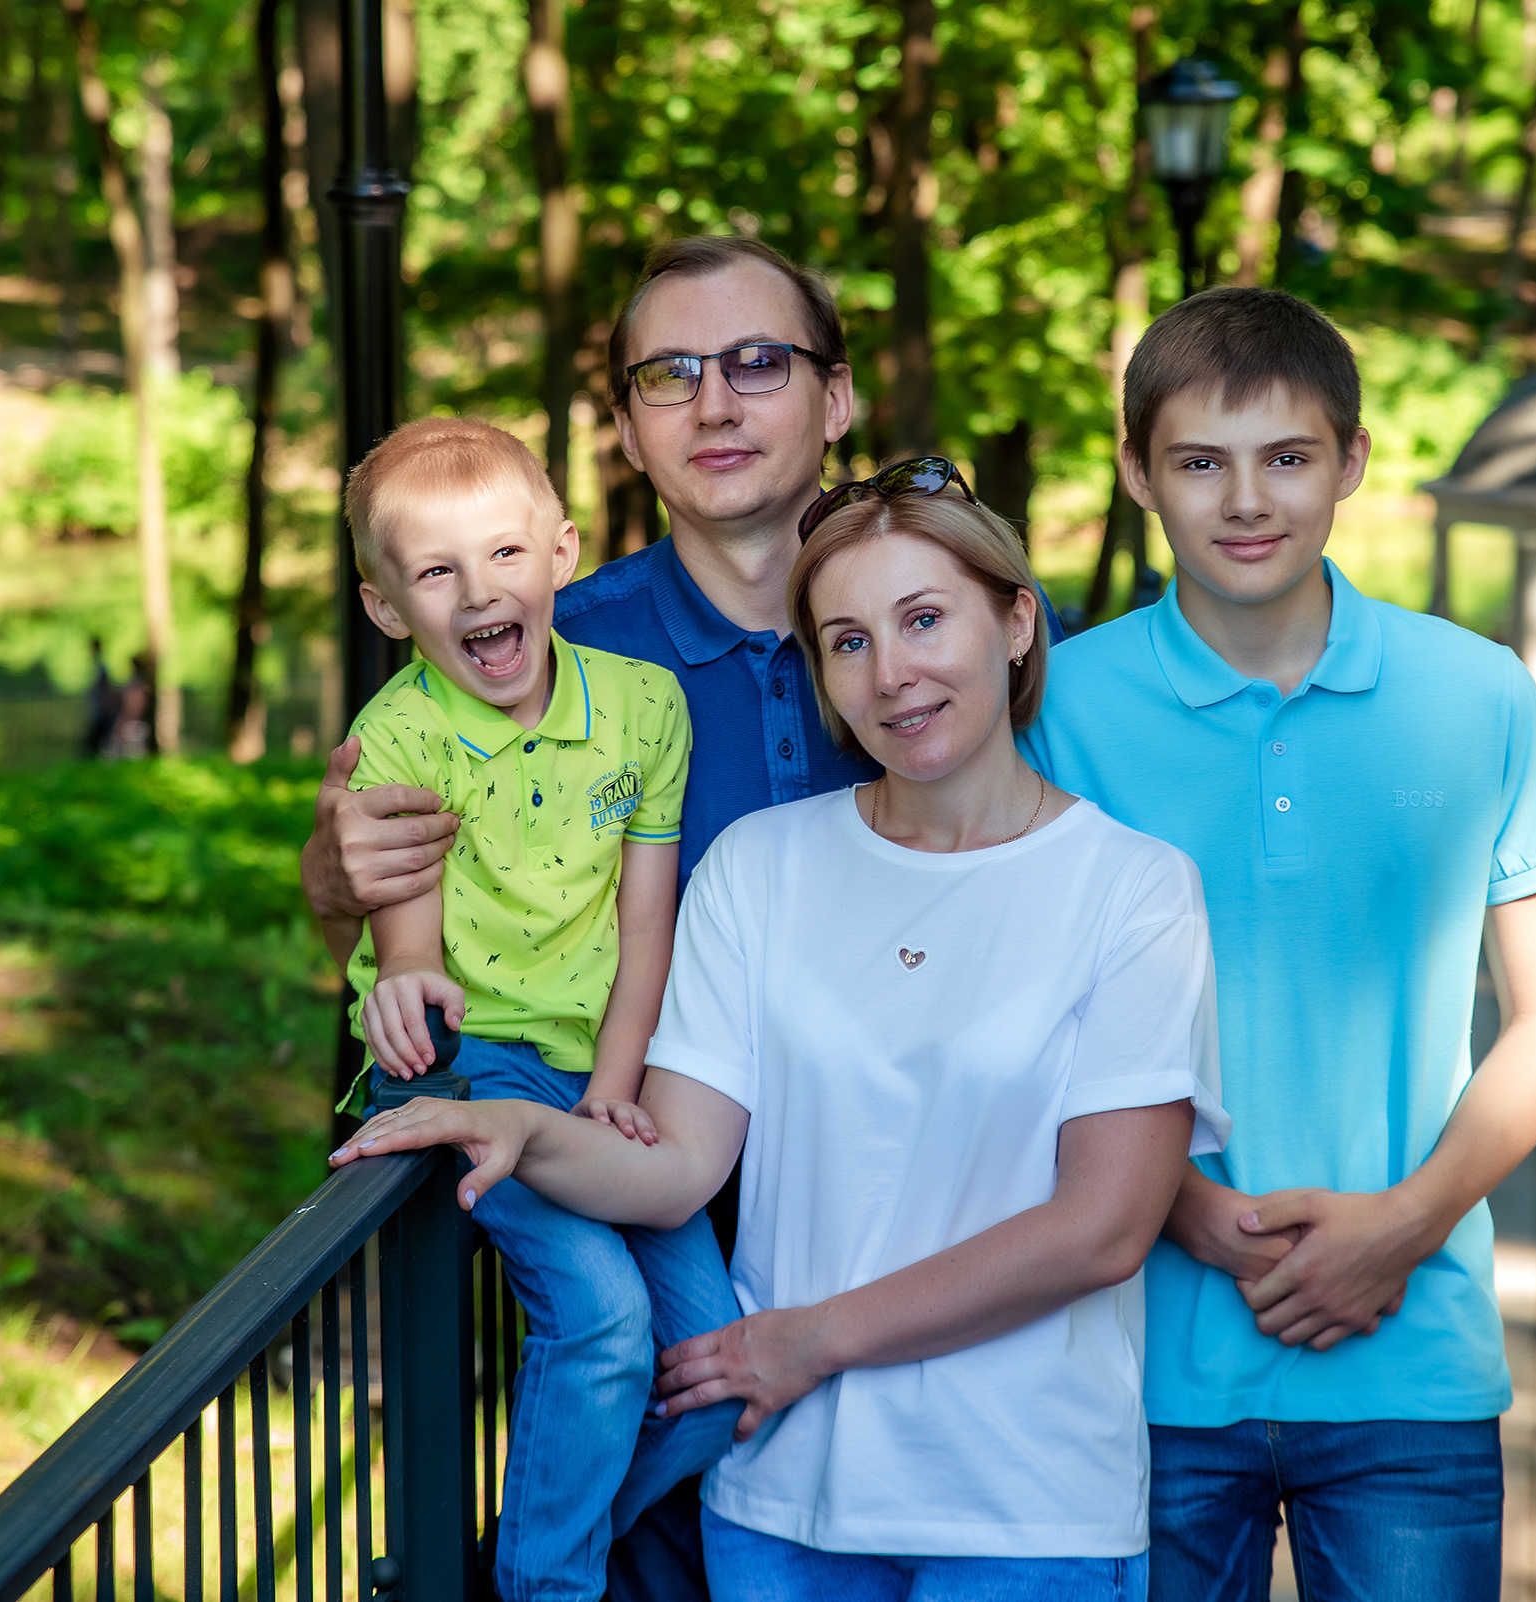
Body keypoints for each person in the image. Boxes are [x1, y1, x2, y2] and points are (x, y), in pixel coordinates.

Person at [297, 236, 1059, 1597]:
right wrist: (332, 877)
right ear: (627, 430)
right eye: (671, 373)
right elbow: (372, 907)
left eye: (758, 363)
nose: (715, 402)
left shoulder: (930, 654)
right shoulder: (532, 652)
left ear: (835, 401)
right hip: (654, 1265)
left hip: (934, 1300)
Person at [330, 484, 1225, 1600]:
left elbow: (1104, 1229)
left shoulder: (1133, 888)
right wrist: (519, 1124)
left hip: (1024, 1507)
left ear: (1016, 621)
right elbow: (676, 1167)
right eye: (847, 641)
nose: (891, 672)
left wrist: (813, 1339)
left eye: (925, 619)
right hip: (779, 1501)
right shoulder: (759, 865)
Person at [1021, 287, 1536, 1601]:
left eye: (1286, 457)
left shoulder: (1479, 694)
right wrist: (1183, 1208)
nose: (1246, 501)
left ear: (1351, 462)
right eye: (1199, 463)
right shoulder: (1061, 710)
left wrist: (1401, 1224)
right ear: (1135, 474)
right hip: (1139, 1364)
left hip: (1412, 1362)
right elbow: (1023, 1018)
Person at [334, 416, 740, 1602]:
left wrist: (618, 1088)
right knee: (604, 1320)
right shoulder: (399, 733)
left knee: (709, 1368)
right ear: (386, 607)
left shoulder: (644, 707)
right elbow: (404, 932)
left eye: (505, 555)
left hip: (601, 1066)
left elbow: (646, 922)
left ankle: (523, 1554)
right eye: (436, 572)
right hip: (470, 1071)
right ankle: (546, 1587)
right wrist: (406, 980)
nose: (479, 593)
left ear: (562, 552)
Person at [82, 636, 120, 757]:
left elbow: (106, 691)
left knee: (95, 744)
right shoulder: (98, 666)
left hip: (101, 712)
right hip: (98, 711)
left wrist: (105, 708)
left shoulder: (101, 668)